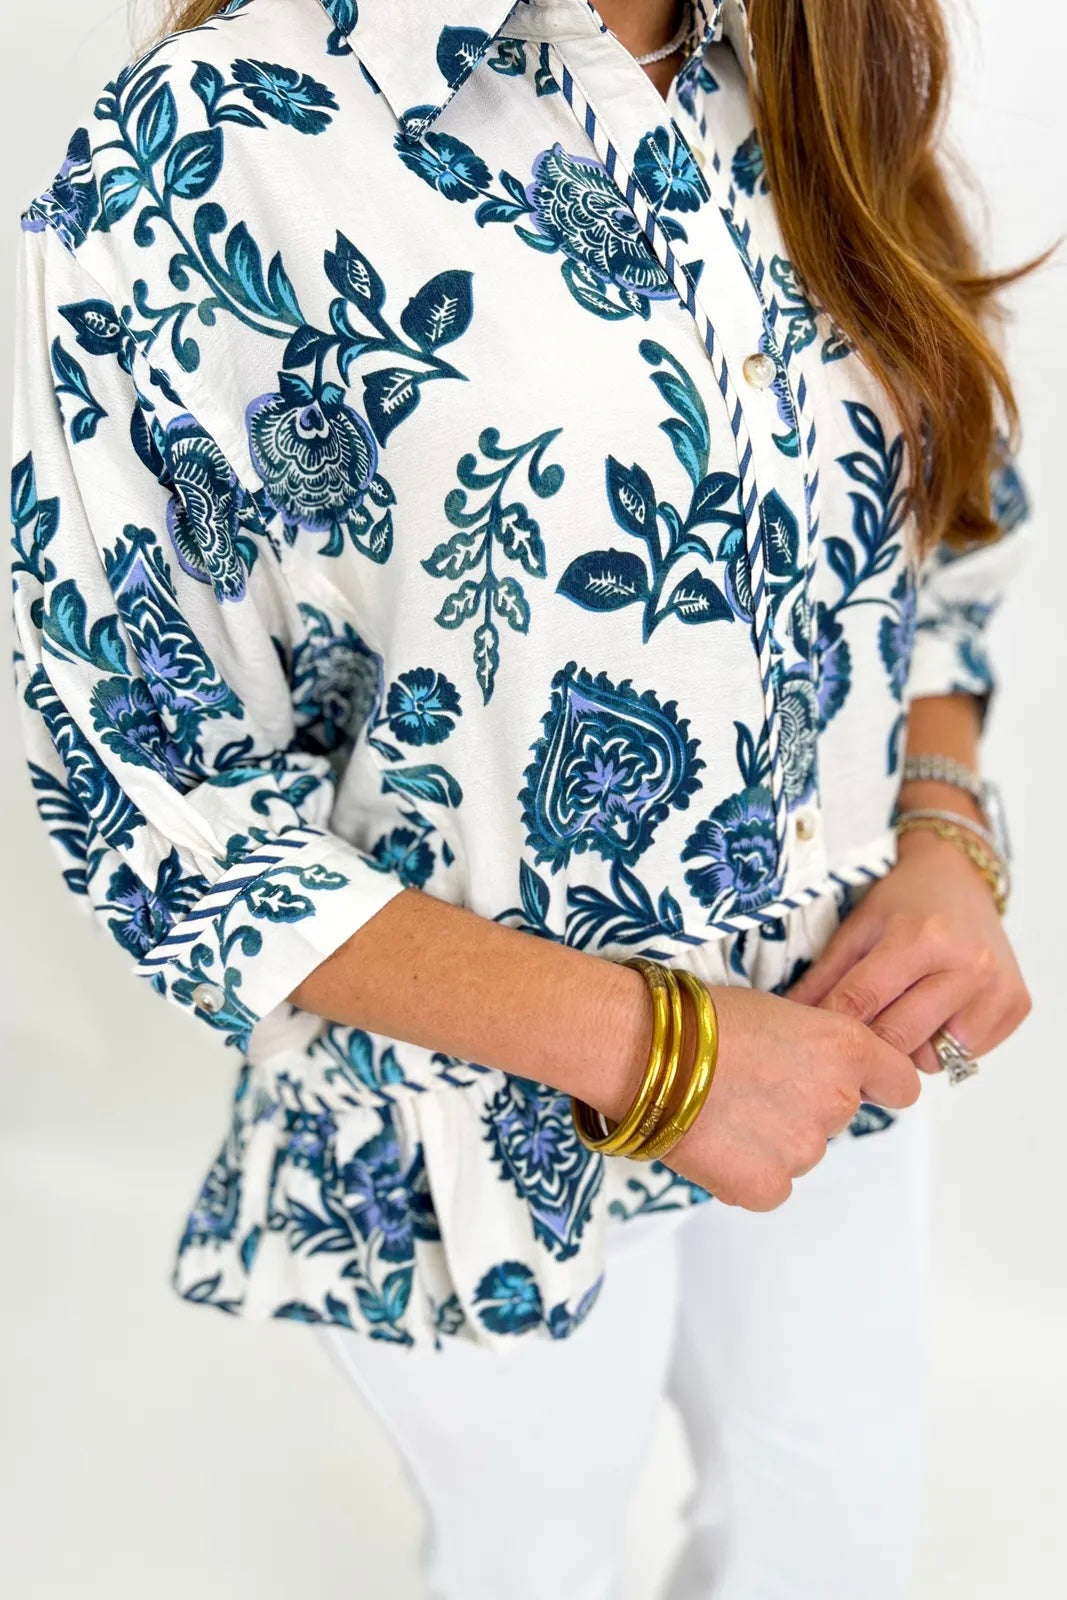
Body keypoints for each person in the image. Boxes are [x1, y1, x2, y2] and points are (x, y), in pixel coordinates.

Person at [9, 0, 1039, 1594]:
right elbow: (152, 802)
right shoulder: (207, 147)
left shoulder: (815, 60)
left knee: (838, 1539)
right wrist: (668, 1055)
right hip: (474, 1131)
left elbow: (940, 546)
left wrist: (946, 836)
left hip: (845, 1043)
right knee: (532, 1567)